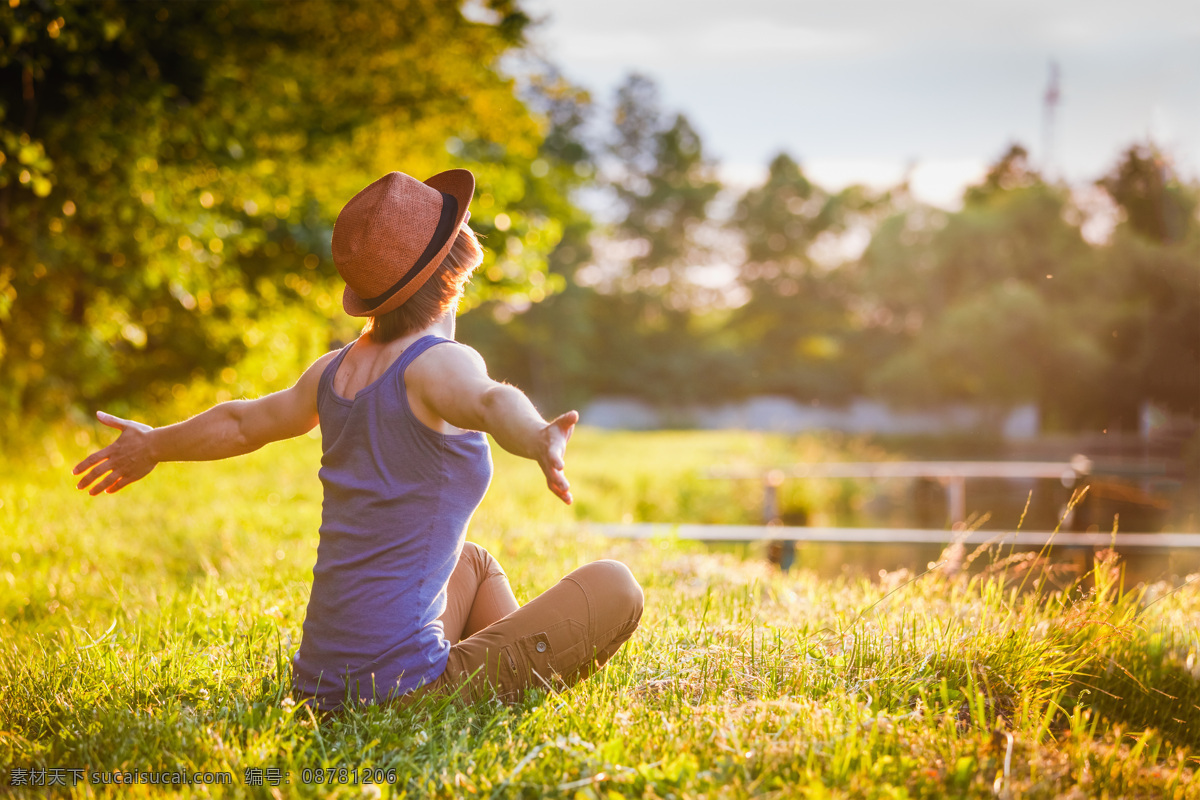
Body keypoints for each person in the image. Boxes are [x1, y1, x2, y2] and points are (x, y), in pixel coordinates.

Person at [72, 169, 644, 714]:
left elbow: (243, 422)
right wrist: (537, 434)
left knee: (472, 562)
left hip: (321, 682)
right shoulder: (439, 364)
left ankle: (502, 685)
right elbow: (492, 401)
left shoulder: (334, 370)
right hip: (399, 692)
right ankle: (487, 694)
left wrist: (154, 444)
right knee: (616, 585)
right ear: (455, 269)